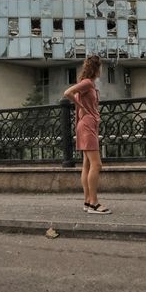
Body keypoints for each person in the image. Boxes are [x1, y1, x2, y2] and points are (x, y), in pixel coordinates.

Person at [63, 54, 110, 214]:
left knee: (87, 164)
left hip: (87, 124)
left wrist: (84, 107)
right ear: (97, 68)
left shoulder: (88, 84)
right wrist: (81, 106)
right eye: (101, 67)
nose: (102, 69)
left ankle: (87, 201)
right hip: (87, 125)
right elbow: (67, 92)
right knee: (97, 165)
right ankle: (94, 203)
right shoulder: (87, 83)